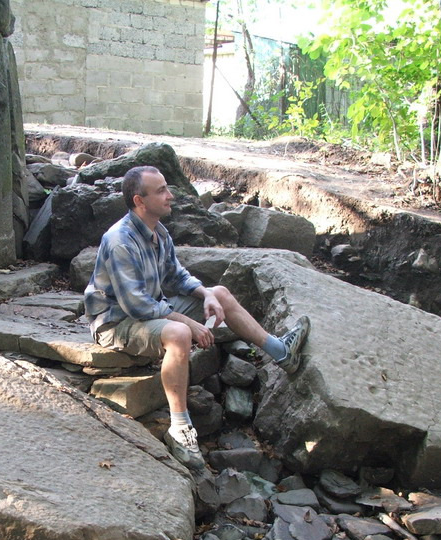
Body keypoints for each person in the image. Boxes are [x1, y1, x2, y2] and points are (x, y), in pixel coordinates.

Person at [84, 166, 310, 470]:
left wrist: (207, 295)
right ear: (140, 200)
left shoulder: (158, 232)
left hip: (147, 312)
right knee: (178, 334)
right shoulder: (120, 241)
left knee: (222, 293)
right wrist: (189, 323)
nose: (170, 195)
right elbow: (137, 306)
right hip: (114, 323)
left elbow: (176, 276)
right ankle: (179, 428)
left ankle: (281, 353)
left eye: (167, 187)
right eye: (161, 190)